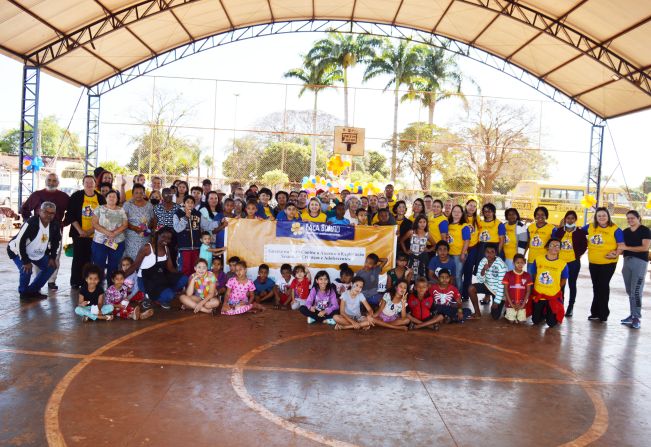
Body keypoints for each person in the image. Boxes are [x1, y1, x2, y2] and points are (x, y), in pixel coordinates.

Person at [19, 172, 69, 290]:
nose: (51, 182)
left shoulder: (64, 197)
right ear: (45, 181)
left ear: (58, 182)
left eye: (54, 180)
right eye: (49, 180)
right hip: (37, 231)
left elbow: (71, 212)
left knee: (54, 256)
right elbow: (25, 209)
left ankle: (52, 281)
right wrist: (29, 223)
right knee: (37, 254)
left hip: (55, 231)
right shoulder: (36, 195)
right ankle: (39, 280)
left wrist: (63, 223)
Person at [124, 229, 188, 310]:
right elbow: (135, 265)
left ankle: (161, 296)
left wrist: (181, 275)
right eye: (163, 237)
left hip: (159, 278)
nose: (166, 240)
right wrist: (122, 277)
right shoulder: (147, 248)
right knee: (170, 295)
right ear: (158, 235)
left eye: (169, 238)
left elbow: (170, 268)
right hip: (145, 280)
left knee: (184, 279)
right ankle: (148, 296)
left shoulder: (166, 249)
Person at [8, 202, 60, 299]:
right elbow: (20, 241)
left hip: (37, 253)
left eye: (52, 213)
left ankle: (32, 291)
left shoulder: (54, 225)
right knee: (26, 269)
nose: (48, 215)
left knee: (51, 267)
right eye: (46, 212)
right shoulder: (32, 222)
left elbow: (56, 242)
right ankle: (23, 293)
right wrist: (25, 261)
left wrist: (52, 257)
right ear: (40, 211)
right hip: (17, 250)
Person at [582, 207, 625, 322]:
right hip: (593, 262)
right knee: (596, 286)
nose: (601, 217)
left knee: (603, 286)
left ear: (608, 217)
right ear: (596, 217)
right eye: (599, 216)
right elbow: (578, 234)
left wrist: (616, 253)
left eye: (604, 215)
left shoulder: (615, 229)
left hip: (608, 263)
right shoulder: (590, 227)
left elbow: (621, 245)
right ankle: (595, 312)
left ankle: (603, 313)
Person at [65, 175, 106, 289]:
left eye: (91, 182)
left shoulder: (100, 198)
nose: (89, 184)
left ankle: (89, 281)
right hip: (79, 233)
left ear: (95, 183)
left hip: (95, 234)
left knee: (90, 258)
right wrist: (81, 231)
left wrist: (90, 231)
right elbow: (70, 215)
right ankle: (76, 281)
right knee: (78, 257)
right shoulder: (76, 196)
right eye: (86, 182)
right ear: (83, 184)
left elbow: (103, 217)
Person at [552, 211, 588, 317]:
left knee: (572, 284)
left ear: (575, 220)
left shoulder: (580, 232)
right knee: (560, 284)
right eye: (568, 218)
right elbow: (553, 243)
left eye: (572, 218)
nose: (570, 220)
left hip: (573, 262)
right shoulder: (559, 231)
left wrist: (577, 255)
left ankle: (570, 307)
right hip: (560, 263)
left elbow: (584, 246)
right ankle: (560, 305)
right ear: (565, 219)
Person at [620, 210, 650, 329]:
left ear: (638, 218)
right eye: (628, 218)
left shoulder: (644, 230)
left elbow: (645, 248)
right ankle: (632, 314)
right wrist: (613, 252)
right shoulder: (625, 231)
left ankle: (636, 317)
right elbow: (621, 248)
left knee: (636, 291)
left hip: (640, 263)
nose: (630, 220)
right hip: (627, 261)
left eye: (632, 218)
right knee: (629, 290)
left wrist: (626, 247)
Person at [91, 190, 128, 282]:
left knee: (114, 265)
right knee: (99, 264)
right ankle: (98, 285)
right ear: (106, 198)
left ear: (117, 199)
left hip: (117, 241)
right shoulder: (99, 208)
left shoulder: (121, 210)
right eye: (110, 196)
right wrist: (108, 233)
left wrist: (114, 233)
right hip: (100, 241)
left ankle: (111, 286)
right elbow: (94, 223)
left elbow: (125, 224)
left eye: (114, 196)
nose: (112, 198)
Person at [530, 238, 569, 327]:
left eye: (557, 246)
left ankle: (548, 313)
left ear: (560, 249)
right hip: (539, 295)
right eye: (552, 245)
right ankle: (543, 313)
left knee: (551, 324)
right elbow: (534, 275)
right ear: (547, 247)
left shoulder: (563, 264)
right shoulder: (538, 259)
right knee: (535, 321)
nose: (554, 247)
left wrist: (554, 288)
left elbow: (563, 280)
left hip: (552, 297)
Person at [468, 245, 508, 319]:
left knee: (495, 316)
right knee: (471, 288)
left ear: (495, 253)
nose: (489, 254)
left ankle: (506, 305)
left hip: (498, 290)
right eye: (487, 252)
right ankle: (477, 313)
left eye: (492, 252)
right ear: (484, 253)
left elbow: (501, 285)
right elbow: (480, 280)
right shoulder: (483, 261)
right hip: (487, 286)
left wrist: (497, 301)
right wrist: (483, 270)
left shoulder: (501, 265)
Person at [123, 184, 154, 260]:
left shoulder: (149, 205)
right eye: (136, 193)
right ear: (132, 193)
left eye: (141, 193)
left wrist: (147, 229)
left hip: (145, 236)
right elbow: (124, 220)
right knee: (131, 258)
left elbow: (153, 220)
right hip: (131, 237)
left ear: (144, 194)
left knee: (144, 258)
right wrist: (134, 228)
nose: (139, 195)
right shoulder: (127, 204)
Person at [174, 196, 202, 277]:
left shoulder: (198, 213)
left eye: (192, 202)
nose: (190, 204)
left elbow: (205, 225)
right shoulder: (178, 213)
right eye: (188, 202)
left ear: (194, 204)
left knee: (195, 268)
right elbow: (177, 229)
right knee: (184, 269)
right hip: (184, 247)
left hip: (196, 247)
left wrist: (218, 223)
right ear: (184, 203)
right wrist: (186, 217)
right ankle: (184, 287)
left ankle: (194, 285)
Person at [501, 254, 533, 324]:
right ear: (513, 263)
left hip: (522, 304)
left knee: (521, 322)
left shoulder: (527, 275)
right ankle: (508, 312)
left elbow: (528, 291)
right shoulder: (508, 274)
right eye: (517, 263)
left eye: (522, 263)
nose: (520, 265)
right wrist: (512, 304)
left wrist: (523, 304)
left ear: (524, 263)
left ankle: (515, 314)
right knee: (511, 321)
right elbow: (505, 290)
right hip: (510, 303)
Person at [447, 205, 471, 293]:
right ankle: (451, 294)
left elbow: (467, 241)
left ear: (462, 214)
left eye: (459, 212)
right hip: (449, 254)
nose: (456, 213)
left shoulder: (464, 226)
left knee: (457, 275)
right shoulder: (448, 224)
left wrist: (463, 253)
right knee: (451, 276)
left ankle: (458, 296)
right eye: (454, 211)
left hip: (458, 254)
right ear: (451, 213)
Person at [526, 206, 555, 275]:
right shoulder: (530, 227)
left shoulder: (551, 228)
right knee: (530, 281)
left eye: (542, 214)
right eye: (538, 214)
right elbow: (527, 243)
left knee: (541, 281)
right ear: (535, 216)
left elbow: (555, 245)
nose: (540, 216)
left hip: (545, 260)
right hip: (531, 260)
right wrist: (523, 255)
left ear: (546, 216)